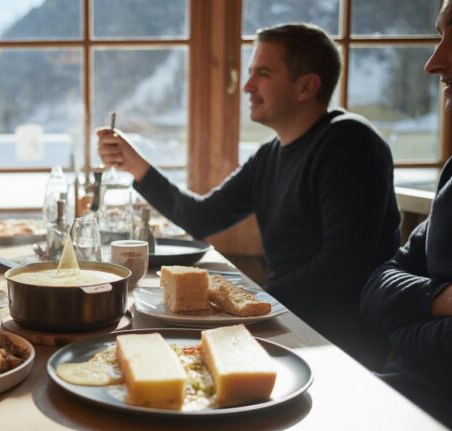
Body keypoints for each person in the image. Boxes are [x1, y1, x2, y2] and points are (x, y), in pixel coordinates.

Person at [98, 23, 400, 369]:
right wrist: (136, 166)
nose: (246, 86)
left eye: (263, 73)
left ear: (306, 86)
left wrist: (251, 302)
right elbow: (202, 217)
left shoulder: (350, 143)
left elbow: (339, 270)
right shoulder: (270, 155)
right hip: (286, 319)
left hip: (333, 341)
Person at [360, 1, 452, 426]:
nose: (433, 63)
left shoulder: (350, 143)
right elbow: (378, 286)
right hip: (399, 391)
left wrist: (402, 325)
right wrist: (437, 299)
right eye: (439, 36)